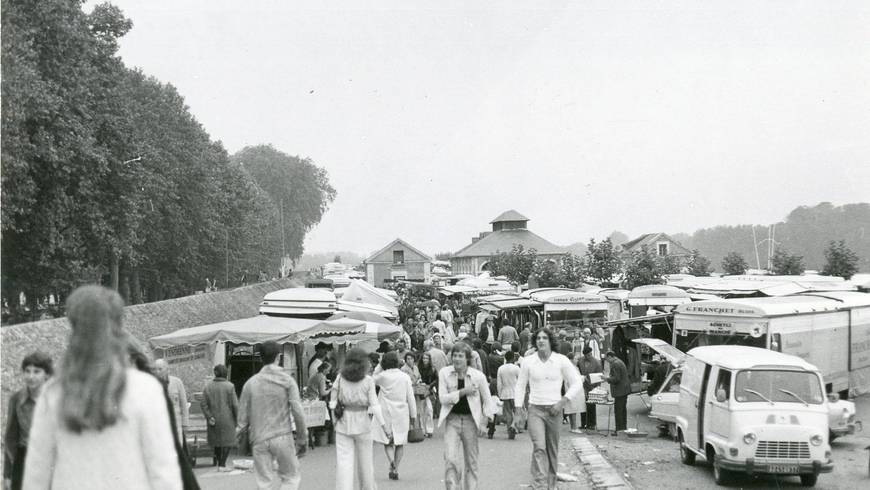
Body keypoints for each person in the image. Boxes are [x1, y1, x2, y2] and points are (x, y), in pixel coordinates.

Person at [23, 285, 182, 490]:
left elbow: (37, 472)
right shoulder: (145, 389)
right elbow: (163, 471)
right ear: (118, 327)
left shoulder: (53, 393)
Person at [515, 328, 584, 490]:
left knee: (552, 449)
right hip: (535, 410)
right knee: (539, 447)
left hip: (555, 410)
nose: (540, 341)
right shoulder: (528, 361)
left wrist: (562, 402)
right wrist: (518, 409)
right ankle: (539, 484)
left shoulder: (561, 361)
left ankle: (551, 485)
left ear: (550, 341)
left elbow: (577, 382)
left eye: (544, 338)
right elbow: (520, 386)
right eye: (538, 338)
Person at [238, 340, 308, 490]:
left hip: (259, 438)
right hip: (282, 436)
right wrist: (302, 437)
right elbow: (297, 410)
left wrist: (240, 439)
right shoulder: (287, 381)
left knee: (263, 482)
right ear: (279, 357)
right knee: (291, 477)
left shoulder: (250, 384)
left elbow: (242, 420)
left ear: (260, 357)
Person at [330, 348, 389, 490]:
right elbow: (375, 406)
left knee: (344, 463)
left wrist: (334, 420)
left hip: (343, 421)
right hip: (363, 422)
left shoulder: (340, 378)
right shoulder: (368, 381)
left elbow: (332, 402)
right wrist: (384, 426)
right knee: (366, 463)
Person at [438, 342, 493, 490]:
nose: (457, 359)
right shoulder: (444, 373)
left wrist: (485, 421)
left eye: (460, 356)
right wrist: (463, 392)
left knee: (471, 461)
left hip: (471, 421)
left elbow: (488, 401)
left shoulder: (478, 376)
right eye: (454, 355)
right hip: (452, 420)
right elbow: (442, 398)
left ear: (467, 358)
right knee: (450, 459)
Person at [4, 352, 53, 490]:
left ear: (47, 375)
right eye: (27, 371)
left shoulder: (56, 401)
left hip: (50, 461)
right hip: (24, 459)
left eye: (37, 372)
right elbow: (11, 438)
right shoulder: (16, 399)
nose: (31, 377)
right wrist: (7, 475)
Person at [371, 352, 417, 480]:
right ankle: (395, 467)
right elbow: (410, 397)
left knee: (387, 441)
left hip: (385, 411)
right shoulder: (405, 377)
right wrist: (413, 415)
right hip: (401, 412)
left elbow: (372, 378)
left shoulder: (383, 376)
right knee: (400, 442)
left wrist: (379, 365)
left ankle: (391, 461)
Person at [201, 364, 238, 471]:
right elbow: (235, 405)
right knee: (228, 441)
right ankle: (222, 464)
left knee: (216, 442)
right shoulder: (230, 386)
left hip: (213, 419)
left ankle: (220, 463)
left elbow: (203, 404)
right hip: (228, 419)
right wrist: (238, 418)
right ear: (225, 373)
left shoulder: (208, 386)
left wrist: (209, 416)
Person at [154, 359, 190, 449]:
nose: (157, 372)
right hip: (158, 424)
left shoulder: (177, 382)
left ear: (167, 369)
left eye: (160, 369)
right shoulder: (151, 384)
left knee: (177, 449)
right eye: (155, 369)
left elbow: (183, 404)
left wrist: (185, 423)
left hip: (176, 424)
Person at [495, 351, 520, 440]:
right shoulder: (516, 368)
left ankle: (510, 431)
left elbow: (499, 383)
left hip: (505, 393)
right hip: (515, 393)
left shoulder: (501, 369)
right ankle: (515, 426)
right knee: (516, 411)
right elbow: (520, 381)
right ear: (513, 358)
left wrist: (499, 393)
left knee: (508, 413)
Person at [605, 351, 631, 434]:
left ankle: (619, 429)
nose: (607, 361)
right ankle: (623, 428)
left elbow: (616, 378)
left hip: (620, 390)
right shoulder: (619, 361)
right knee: (622, 410)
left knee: (619, 410)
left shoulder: (615, 364)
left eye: (607, 359)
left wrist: (606, 379)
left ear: (610, 357)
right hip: (624, 390)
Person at [578, 347, 603, 430]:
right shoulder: (580, 360)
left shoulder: (596, 362)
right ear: (584, 355)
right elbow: (578, 371)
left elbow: (600, 376)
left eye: (589, 355)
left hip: (592, 387)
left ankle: (592, 424)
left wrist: (597, 389)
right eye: (586, 355)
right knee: (582, 405)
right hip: (583, 386)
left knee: (591, 405)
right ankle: (584, 423)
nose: (588, 356)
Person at [417, 352, 437, 437]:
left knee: (429, 410)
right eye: (424, 358)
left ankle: (429, 430)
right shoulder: (418, 368)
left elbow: (436, 379)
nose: (425, 360)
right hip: (420, 390)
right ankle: (422, 429)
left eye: (427, 358)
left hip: (429, 391)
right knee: (421, 411)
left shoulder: (433, 368)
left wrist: (430, 386)